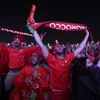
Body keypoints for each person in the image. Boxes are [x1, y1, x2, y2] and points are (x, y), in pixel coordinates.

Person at [27, 18, 89, 100]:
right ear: (54, 52)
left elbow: (80, 48)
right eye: (56, 47)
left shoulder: (68, 57)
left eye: (59, 46)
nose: (59, 46)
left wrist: (87, 35)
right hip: (55, 93)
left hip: (67, 91)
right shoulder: (51, 59)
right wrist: (34, 30)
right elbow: (41, 44)